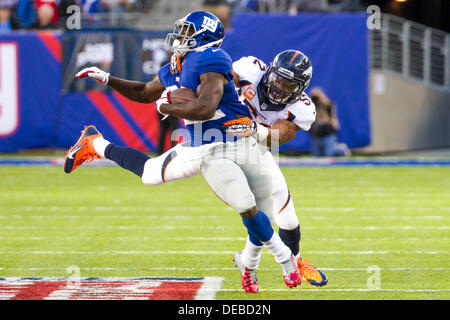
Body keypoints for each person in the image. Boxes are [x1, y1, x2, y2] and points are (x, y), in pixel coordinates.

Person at [67, 10, 301, 292]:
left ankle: (255, 266)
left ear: (202, 37)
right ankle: (95, 144)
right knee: (152, 175)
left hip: (240, 142)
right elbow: (143, 92)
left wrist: (166, 107)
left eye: (187, 31)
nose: (180, 36)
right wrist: (108, 79)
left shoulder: (211, 60)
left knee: (257, 210)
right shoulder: (176, 65)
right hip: (205, 148)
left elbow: (205, 108)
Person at [309, 87, 350, 157]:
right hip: (318, 135)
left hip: (329, 133)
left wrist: (320, 97)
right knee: (317, 155)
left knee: (329, 153)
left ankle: (341, 149)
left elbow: (330, 114)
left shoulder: (327, 105)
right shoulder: (311, 107)